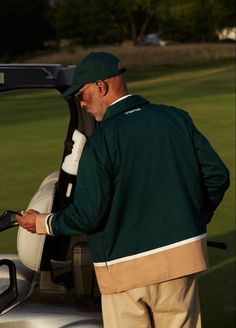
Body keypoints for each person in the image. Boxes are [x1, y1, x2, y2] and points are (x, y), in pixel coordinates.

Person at [17, 51, 230, 328]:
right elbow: (217, 176)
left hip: (124, 272)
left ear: (101, 87)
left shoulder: (102, 140)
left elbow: (88, 214)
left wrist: (42, 223)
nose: (81, 104)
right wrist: (195, 217)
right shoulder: (177, 119)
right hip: (180, 262)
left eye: (81, 94)